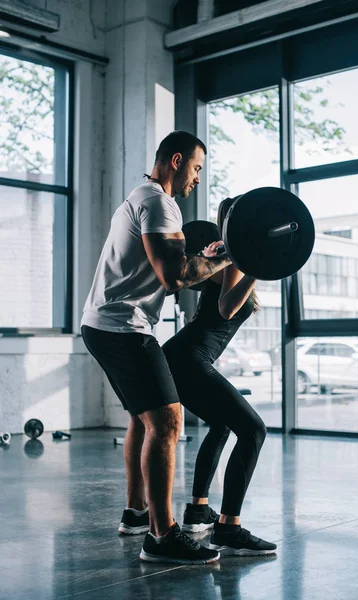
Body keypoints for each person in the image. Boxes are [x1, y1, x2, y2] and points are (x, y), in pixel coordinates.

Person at [81, 131, 231, 565]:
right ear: (177, 159)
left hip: (105, 323)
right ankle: (161, 536)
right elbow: (174, 277)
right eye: (197, 168)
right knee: (167, 420)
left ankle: (135, 511)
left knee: (143, 418)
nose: (197, 179)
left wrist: (209, 258)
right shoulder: (159, 202)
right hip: (122, 326)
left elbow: (179, 269)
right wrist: (230, 255)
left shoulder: (139, 198)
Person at [162, 198, 277, 556]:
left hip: (182, 357)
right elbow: (227, 309)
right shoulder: (232, 255)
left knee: (221, 425)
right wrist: (255, 267)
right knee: (254, 430)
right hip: (189, 358)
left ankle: (198, 508)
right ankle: (229, 527)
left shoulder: (227, 254)